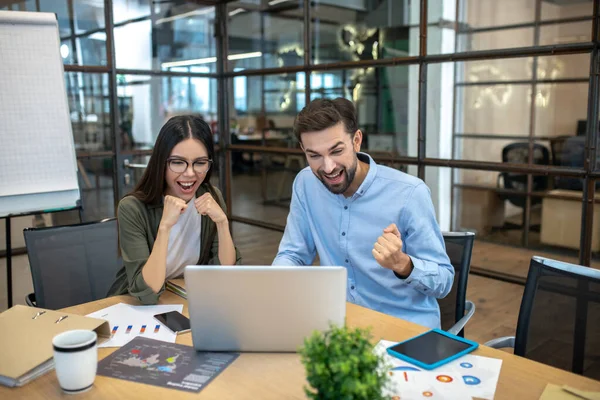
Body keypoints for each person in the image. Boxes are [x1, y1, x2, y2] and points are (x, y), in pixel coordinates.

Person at [272, 98, 454, 328]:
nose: (328, 167)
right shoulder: (305, 183)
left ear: (356, 140)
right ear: (303, 150)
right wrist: (275, 285)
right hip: (339, 324)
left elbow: (444, 281)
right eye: (314, 156)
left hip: (403, 327)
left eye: (336, 151)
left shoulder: (410, 193)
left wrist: (403, 263)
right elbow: (293, 254)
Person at [108, 115, 242, 304]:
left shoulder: (211, 197)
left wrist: (222, 223)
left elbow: (227, 274)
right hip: (135, 304)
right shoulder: (132, 208)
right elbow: (147, 291)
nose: (189, 173)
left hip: (184, 299)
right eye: (178, 162)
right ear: (161, 162)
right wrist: (164, 227)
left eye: (200, 162)